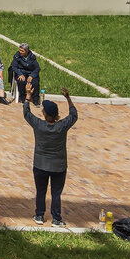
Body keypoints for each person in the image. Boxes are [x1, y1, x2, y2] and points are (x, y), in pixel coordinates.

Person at [23, 91, 78, 225]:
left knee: (41, 191)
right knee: (56, 193)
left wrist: (28, 97)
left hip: (40, 165)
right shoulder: (62, 126)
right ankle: (56, 218)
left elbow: (26, 113)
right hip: (58, 166)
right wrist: (68, 98)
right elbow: (74, 115)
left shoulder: (39, 125)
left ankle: (39, 215)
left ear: (45, 114)